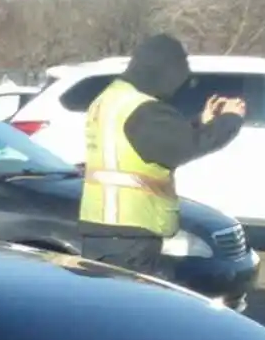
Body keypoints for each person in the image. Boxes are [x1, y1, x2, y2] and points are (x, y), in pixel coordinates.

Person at [78, 34, 244, 274]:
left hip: (103, 226)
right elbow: (183, 147)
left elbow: (156, 141)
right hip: (130, 231)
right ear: (164, 72)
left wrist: (201, 121)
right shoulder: (142, 108)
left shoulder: (112, 99)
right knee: (135, 307)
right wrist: (230, 119)